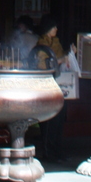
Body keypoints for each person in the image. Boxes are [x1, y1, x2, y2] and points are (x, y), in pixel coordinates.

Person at [34, 15, 74, 162]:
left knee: (59, 120)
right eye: (53, 27)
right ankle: (48, 152)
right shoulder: (41, 44)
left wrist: (70, 54)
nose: (56, 29)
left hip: (59, 86)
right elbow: (42, 65)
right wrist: (60, 60)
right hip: (46, 86)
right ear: (48, 28)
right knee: (49, 121)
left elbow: (62, 58)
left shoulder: (56, 43)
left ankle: (57, 149)